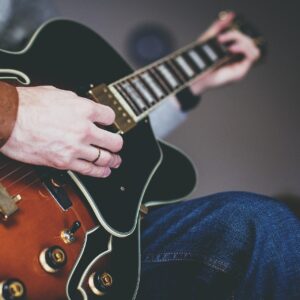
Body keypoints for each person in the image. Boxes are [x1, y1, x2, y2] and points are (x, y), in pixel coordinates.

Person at [0, 2, 299, 299]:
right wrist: (14, 113)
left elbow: (99, 127)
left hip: (76, 227)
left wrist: (191, 81)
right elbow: (31, 117)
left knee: (264, 226)